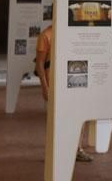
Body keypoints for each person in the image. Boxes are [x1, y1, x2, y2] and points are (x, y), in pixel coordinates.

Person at [34, 25, 92, 162]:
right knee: (57, 119)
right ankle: (56, 152)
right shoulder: (45, 35)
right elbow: (40, 64)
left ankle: (77, 149)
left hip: (73, 81)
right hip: (53, 83)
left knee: (79, 116)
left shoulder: (72, 32)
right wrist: (44, 86)